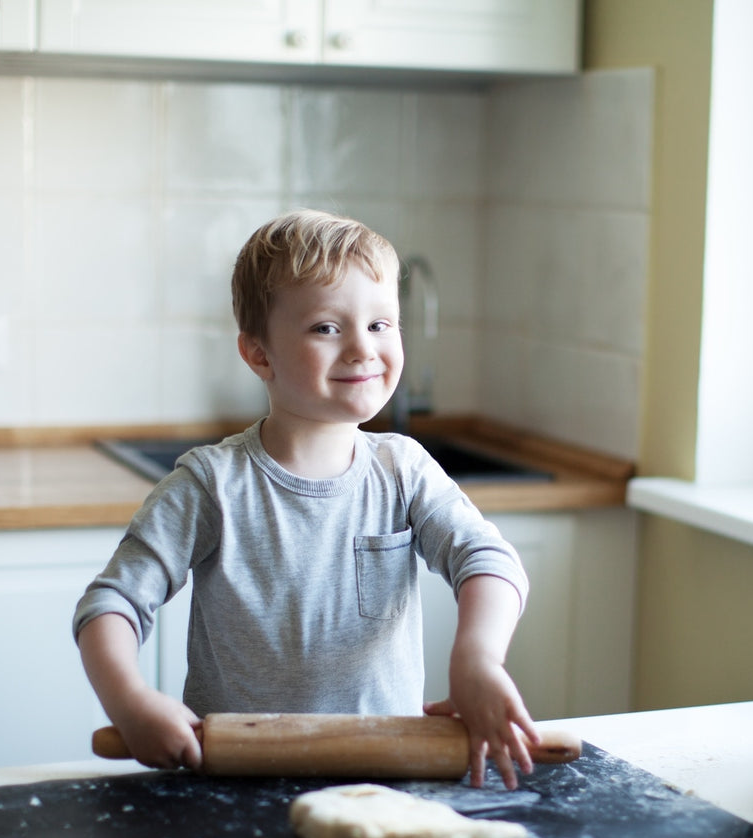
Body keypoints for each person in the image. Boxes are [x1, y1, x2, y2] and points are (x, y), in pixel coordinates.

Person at [73, 209, 539, 789]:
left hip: (383, 776)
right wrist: (131, 702)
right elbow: (110, 604)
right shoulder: (211, 484)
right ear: (259, 354)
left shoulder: (405, 471)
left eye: (381, 324)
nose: (362, 349)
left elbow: (489, 561)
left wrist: (477, 661)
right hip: (236, 780)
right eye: (326, 328)